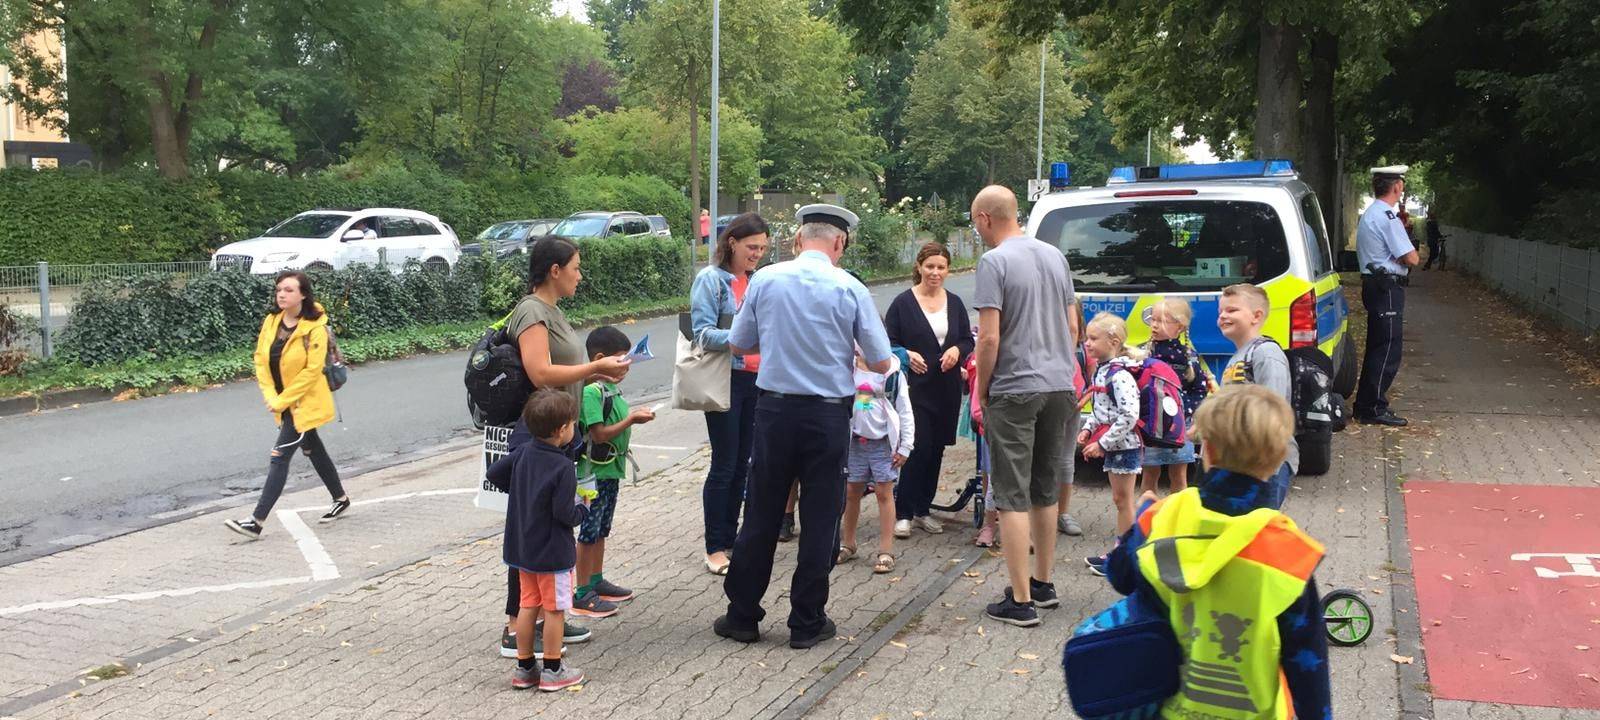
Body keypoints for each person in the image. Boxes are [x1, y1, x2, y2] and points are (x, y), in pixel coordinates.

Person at [713, 203, 893, 650]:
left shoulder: (767, 280)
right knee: (819, 517)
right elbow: (882, 360)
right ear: (839, 243)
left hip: (773, 412)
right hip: (828, 416)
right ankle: (806, 622)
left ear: (796, 241)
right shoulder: (850, 288)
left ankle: (742, 617)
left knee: (761, 512)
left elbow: (738, 343)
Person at [1102, 385, 1331, 720]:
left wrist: (1138, 523)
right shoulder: (1285, 550)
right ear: (1278, 458)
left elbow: (1120, 577)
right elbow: (1307, 664)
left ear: (1206, 449)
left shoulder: (1164, 516)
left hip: (1167, 708)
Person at [496, 237, 630, 657]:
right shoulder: (533, 311)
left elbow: (562, 375)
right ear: (554, 270)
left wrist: (596, 378)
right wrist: (595, 366)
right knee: (533, 528)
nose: (579, 273)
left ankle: (539, 618)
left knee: (547, 526)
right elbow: (540, 373)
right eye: (575, 266)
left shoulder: (550, 311)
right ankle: (517, 627)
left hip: (558, 435)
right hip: (538, 438)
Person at [970, 185, 1079, 628]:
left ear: (983, 218)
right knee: (1044, 487)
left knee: (1012, 494)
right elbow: (1073, 324)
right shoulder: (1055, 256)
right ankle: (1043, 583)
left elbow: (989, 337)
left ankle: (1019, 600)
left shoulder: (993, 262)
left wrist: (983, 385)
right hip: (1059, 385)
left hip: (1015, 387)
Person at [225, 271, 349, 539]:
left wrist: (282, 400)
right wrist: (271, 395)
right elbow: (261, 359)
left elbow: (312, 371)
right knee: (312, 448)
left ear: (303, 294)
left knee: (279, 457)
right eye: (279, 289)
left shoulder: (314, 327)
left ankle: (256, 521)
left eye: (289, 290)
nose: (282, 294)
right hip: (283, 402)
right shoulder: (271, 321)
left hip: (304, 403)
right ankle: (340, 497)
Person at [486, 389, 590, 692]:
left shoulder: (522, 453)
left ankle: (525, 667)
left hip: (522, 549)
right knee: (556, 609)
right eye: (572, 424)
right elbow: (564, 513)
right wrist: (583, 508)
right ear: (562, 431)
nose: (574, 428)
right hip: (552, 553)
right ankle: (554, 669)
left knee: (527, 604)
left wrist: (520, 491)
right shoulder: (562, 466)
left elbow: (494, 473)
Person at [689, 213, 771, 576]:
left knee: (743, 464)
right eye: (752, 247)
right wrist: (743, 341)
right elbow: (702, 334)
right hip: (725, 379)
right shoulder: (712, 281)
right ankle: (714, 546)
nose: (757, 254)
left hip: (757, 381)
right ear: (732, 242)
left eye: (763, 248)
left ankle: (730, 537)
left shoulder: (755, 280)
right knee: (724, 464)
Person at [884, 242, 973, 538]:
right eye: (930, 266)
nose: (935, 272)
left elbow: (966, 340)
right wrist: (906, 353)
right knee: (917, 447)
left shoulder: (956, 302)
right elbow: (886, 342)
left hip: (945, 388)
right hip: (914, 389)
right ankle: (904, 512)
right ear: (919, 267)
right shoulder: (902, 303)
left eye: (941, 267)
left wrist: (957, 352)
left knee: (936, 449)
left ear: (948, 270)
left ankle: (923, 509)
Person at [572, 326, 656, 617]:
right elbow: (599, 434)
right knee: (589, 531)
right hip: (595, 473)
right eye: (621, 360)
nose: (627, 367)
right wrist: (631, 419)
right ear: (599, 358)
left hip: (612, 472)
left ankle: (596, 579)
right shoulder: (593, 392)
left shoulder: (610, 389)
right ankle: (582, 591)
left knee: (602, 528)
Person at [1216, 283, 1298, 509]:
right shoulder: (1237, 357)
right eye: (1221, 311)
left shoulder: (1265, 353)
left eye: (1232, 310)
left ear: (1256, 316)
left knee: (1257, 533)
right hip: (1239, 461)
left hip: (1264, 463)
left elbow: (1272, 411)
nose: (1223, 316)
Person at [1078, 313, 1145, 577]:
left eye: (1094, 339)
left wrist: (1103, 444)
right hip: (1117, 446)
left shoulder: (1119, 376)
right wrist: (1087, 429)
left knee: (1124, 500)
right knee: (1120, 500)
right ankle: (1121, 553)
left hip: (1124, 446)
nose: (1088, 344)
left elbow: (1129, 414)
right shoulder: (1104, 372)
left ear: (1114, 341)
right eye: (1087, 339)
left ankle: (1125, 557)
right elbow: (1102, 409)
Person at [839, 347, 915, 574]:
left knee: (884, 492)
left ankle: (886, 550)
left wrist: (905, 446)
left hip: (883, 443)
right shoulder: (848, 368)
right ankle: (848, 542)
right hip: (855, 442)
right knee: (852, 491)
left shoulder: (892, 373)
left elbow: (905, 410)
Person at [1354, 165, 1420, 427]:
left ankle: (1366, 404)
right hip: (1387, 287)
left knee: (1377, 346)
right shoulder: (1386, 216)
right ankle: (1372, 407)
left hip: (1376, 285)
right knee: (1387, 349)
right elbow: (1412, 257)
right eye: (1402, 184)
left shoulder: (1372, 213)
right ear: (1397, 187)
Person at [1140, 297, 1211, 496]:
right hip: (1150, 424)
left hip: (1179, 425)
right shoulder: (1145, 353)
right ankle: (1147, 519)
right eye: (1152, 320)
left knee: (1179, 475)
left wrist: (1184, 411)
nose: (1154, 325)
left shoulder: (1187, 356)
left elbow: (1199, 389)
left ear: (1179, 327)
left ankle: (1177, 518)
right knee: (1149, 474)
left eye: (1161, 321)